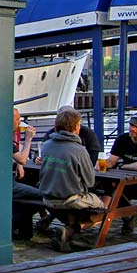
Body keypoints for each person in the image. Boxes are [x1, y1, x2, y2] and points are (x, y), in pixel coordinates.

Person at [39, 107, 108, 251]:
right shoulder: (79, 150)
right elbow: (90, 182)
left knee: (72, 196)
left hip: (47, 196)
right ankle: (73, 231)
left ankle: (71, 234)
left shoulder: (46, 146)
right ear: (76, 127)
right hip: (71, 198)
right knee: (107, 205)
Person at [11, 108, 42, 240]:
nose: (20, 122)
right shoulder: (5, 137)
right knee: (44, 196)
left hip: (7, 180)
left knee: (28, 189)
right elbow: (23, 158)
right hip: (8, 184)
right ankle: (13, 223)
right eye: (17, 119)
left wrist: (18, 165)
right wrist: (28, 139)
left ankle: (24, 231)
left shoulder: (0, 133)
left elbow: (16, 157)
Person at [37, 105, 103, 164]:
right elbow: (39, 154)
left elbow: (95, 153)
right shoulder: (81, 150)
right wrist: (37, 159)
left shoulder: (86, 132)